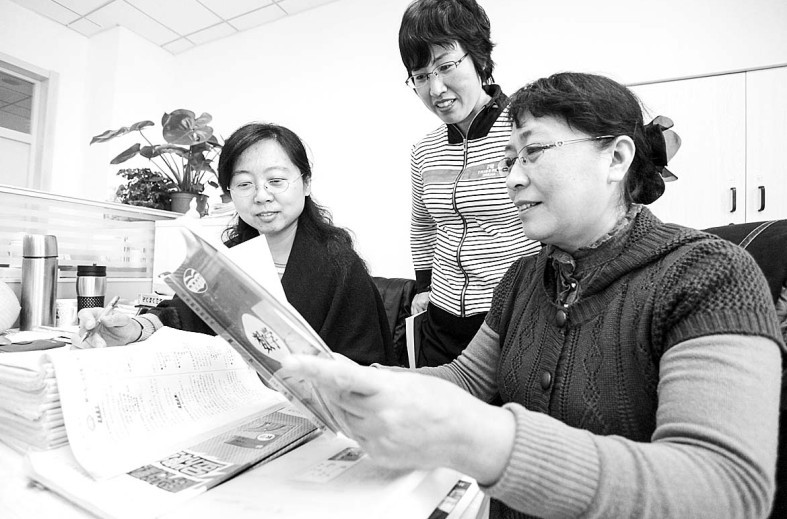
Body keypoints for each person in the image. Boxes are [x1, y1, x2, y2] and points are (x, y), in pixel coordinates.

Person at [281, 72, 785, 518]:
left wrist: (483, 439)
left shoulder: (710, 275)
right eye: (509, 160)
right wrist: (361, 380)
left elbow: (726, 490)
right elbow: (467, 379)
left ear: (615, 157)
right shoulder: (524, 276)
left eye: (534, 152)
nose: (513, 178)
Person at [78, 123, 394, 366]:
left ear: (306, 183)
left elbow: (366, 367)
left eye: (276, 180)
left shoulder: (340, 265)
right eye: (244, 184)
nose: (261, 195)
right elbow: (182, 315)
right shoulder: (230, 261)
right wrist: (134, 327)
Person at [399, 0, 540, 367]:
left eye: (446, 67)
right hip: (442, 322)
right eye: (421, 76)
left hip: (512, 318)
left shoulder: (525, 129)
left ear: (477, 57)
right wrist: (424, 287)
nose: (436, 89)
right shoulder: (424, 151)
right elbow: (423, 226)